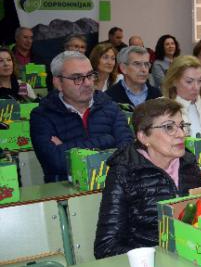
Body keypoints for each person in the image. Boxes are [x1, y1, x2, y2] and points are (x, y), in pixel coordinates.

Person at [94, 98, 201, 258]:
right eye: (169, 127)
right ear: (144, 137)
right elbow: (106, 246)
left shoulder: (188, 163)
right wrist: (156, 257)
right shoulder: (124, 171)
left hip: (192, 256)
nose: (181, 134)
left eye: (181, 126)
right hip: (149, 266)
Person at [30, 51, 133, 183]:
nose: (88, 83)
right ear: (58, 83)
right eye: (77, 78)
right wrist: (108, 140)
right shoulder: (42, 115)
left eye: (90, 75)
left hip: (113, 185)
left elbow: (128, 152)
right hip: (66, 192)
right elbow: (56, 163)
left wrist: (67, 148)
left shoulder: (110, 107)